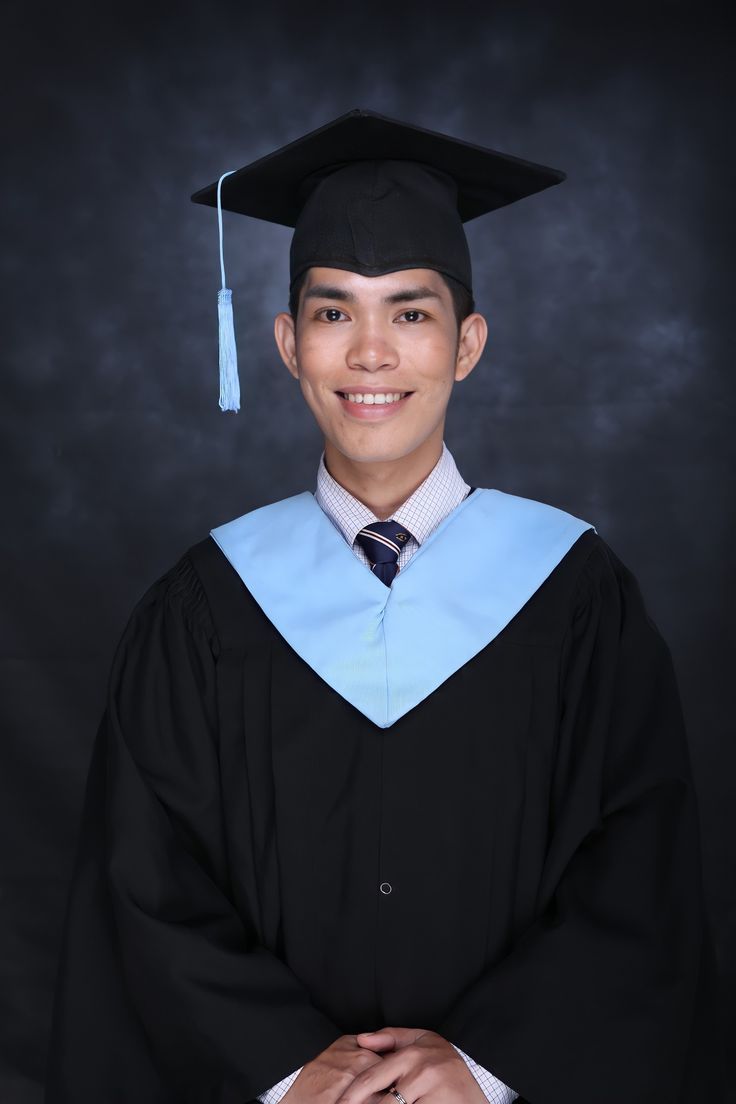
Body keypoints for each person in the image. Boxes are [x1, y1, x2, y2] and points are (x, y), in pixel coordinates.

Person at [44, 109, 724, 1104]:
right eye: (332, 313)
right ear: (285, 344)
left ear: (467, 344)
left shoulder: (576, 595)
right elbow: (142, 886)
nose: (370, 353)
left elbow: (640, 875)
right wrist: (284, 1064)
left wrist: (487, 1063)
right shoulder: (202, 608)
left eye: (409, 313)